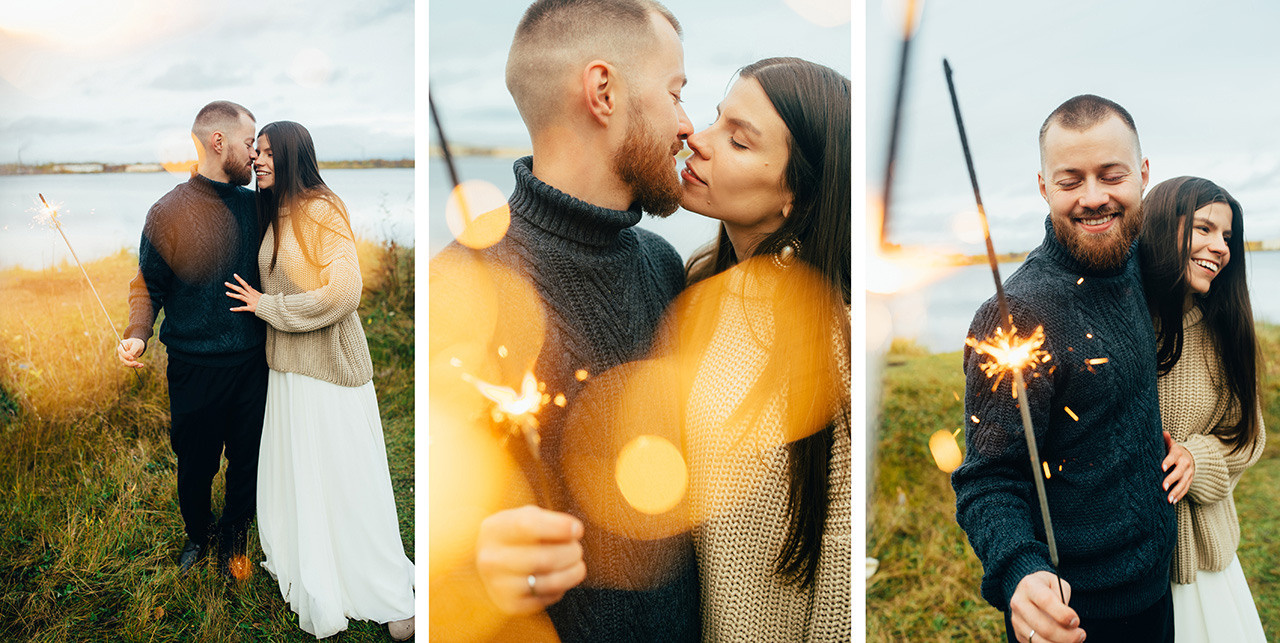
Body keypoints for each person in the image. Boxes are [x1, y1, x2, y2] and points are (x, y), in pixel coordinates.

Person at [427, 0, 698, 639]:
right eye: (676, 92)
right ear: (603, 92)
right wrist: (481, 558)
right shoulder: (460, 286)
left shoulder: (663, 264)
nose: (687, 125)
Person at [951, 94, 1176, 643]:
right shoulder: (1019, 315)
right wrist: (1021, 572)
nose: (1094, 198)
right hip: (1072, 614)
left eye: (1111, 175)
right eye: (1071, 180)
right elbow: (987, 479)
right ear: (1044, 186)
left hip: (1157, 588)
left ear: (1143, 175)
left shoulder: (1143, 261)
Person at [671, 57, 850, 639]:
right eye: (717, 120)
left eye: (738, 141)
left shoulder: (830, 340)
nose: (697, 140)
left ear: (795, 195)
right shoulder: (695, 286)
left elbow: (841, 575)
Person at [222, 121, 414, 640]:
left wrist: (270, 306)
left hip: (328, 369)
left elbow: (345, 291)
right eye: (255, 152)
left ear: (291, 157)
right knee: (301, 474)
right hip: (287, 370)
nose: (257, 160)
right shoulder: (274, 211)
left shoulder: (319, 209)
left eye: (267, 153)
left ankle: (383, 589)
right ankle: (311, 564)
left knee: (345, 477)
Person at [118, 100, 267, 579]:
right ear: (218, 142)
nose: (255, 154)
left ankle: (235, 537)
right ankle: (198, 536)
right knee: (196, 465)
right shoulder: (167, 211)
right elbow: (147, 286)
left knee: (248, 460)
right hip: (194, 366)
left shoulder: (257, 206)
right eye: (249, 143)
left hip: (253, 363)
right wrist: (138, 334)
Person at [1138, 176, 1266, 642]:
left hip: (1202, 562)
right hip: (1124, 562)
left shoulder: (1224, 329)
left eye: (1227, 237)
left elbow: (1248, 435)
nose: (1220, 247)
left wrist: (1197, 457)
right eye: (1204, 229)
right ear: (1157, 227)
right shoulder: (1121, 321)